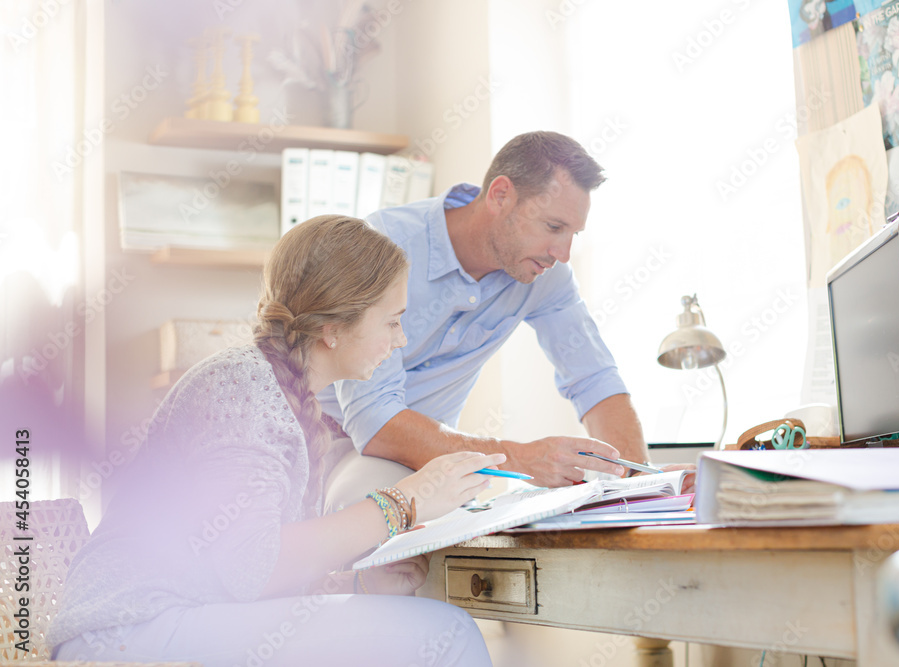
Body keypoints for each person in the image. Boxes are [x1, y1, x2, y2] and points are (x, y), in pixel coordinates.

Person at [49, 215, 497, 666]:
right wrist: (406, 502)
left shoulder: (278, 394)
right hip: (127, 632)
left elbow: (237, 575)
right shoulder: (242, 389)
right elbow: (253, 570)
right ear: (333, 327)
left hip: (173, 620)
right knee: (448, 633)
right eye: (392, 322)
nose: (400, 340)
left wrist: (355, 586)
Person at [320, 131, 694, 513]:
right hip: (330, 445)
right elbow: (374, 421)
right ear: (500, 195)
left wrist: (639, 479)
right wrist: (519, 458)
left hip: (434, 464)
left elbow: (594, 379)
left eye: (572, 234)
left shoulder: (545, 276)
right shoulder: (385, 244)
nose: (563, 253)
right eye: (553, 227)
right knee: (374, 499)